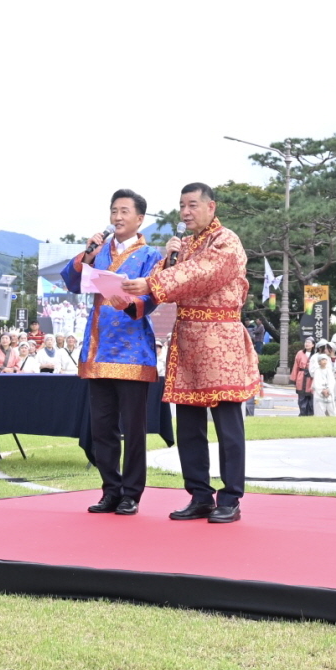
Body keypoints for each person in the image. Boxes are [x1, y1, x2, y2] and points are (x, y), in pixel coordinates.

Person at [122, 182, 259, 525]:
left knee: (227, 423)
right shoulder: (183, 246)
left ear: (211, 207)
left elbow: (201, 274)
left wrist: (155, 282)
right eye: (182, 205)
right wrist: (161, 267)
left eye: (192, 205)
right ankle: (199, 495)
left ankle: (231, 497)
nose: (185, 212)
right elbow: (165, 281)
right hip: (186, 339)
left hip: (220, 338)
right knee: (188, 424)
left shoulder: (226, 241)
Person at [63, 188, 164, 514]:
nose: (117, 217)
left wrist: (130, 300)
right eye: (114, 211)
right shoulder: (99, 250)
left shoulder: (151, 255)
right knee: (102, 427)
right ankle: (110, 489)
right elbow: (71, 282)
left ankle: (132, 493)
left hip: (133, 349)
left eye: (124, 211)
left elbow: (154, 295)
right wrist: (86, 256)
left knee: (133, 429)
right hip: (99, 345)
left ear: (139, 218)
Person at [290, 339, 315, 416]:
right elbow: (296, 366)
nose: (307, 344)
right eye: (306, 342)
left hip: (311, 378)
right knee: (302, 397)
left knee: (311, 397)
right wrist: (294, 378)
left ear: (313, 345)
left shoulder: (315, 354)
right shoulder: (300, 353)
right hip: (301, 376)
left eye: (309, 343)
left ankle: (310, 414)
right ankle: (302, 413)